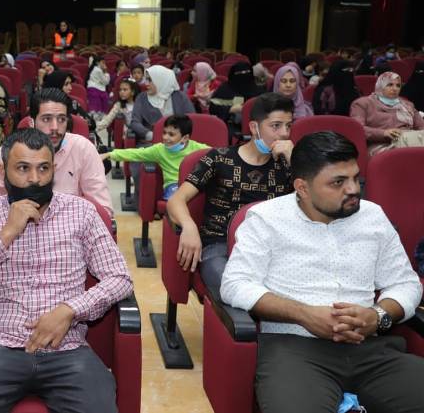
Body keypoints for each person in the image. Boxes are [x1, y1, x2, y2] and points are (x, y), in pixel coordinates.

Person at [221, 131, 424, 413]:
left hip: (370, 348)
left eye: (355, 177)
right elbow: (235, 284)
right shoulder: (266, 219)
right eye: (338, 182)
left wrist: (377, 316)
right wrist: (304, 315)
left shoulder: (373, 216)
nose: (353, 189)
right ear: (302, 188)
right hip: (293, 350)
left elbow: (406, 284)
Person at [0, 128, 133, 413]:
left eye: (44, 168)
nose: (35, 178)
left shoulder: (81, 212)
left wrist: (70, 310)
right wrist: (6, 234)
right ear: (3, 171)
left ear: (54, 169)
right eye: (23, 168)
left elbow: (120, 278)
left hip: (67, 350)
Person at [167, 92, 294, 293]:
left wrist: (294, 161)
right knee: (237, 290)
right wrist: (189, 226)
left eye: (288, 126)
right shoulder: (219, 158)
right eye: (276, 126)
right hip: (221, 246)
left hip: (269, 249)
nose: (284, 134)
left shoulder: (288, 165)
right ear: (254, 127)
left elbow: (313, 205)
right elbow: (176, 200)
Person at [0, 88, 113, 218]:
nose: (55, 127)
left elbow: (104, 211)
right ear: (31, 122)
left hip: (69, 227)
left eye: (61, 119)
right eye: (46, 119)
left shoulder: (83, 149)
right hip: (17, 226)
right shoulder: (11, 150)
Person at [101, 114, 209, 200]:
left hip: (192, 184)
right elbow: (135, 153)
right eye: (164, 133)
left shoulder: (198, 148)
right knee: (178, 200)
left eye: (171, 134)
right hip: (173, 186)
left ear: (185, 138)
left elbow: (216, 155)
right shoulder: (159, 150)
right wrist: (109, 154)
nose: (165, 137)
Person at [349, 71, 424, 155]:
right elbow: (358, 129)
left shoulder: (407, 105)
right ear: (380, 85)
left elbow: (422, 127)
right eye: (390, 85)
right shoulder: (363, 103)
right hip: (380, 145)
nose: (395, 89)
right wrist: (384, 133)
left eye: (398, 85)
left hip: (409, 140)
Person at [129, 65, 194, 145]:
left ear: (161, 80)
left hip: (179, 143)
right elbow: (135, 122)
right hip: (151, 143)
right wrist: (150, 135)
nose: (146, 83)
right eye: (146, 79)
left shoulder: (180, 97)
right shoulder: (142, 98)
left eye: (150, 80)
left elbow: (192, 120)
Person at [210, 62, 265, 131]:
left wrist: (247, 108)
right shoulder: (224, 89)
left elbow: (267, 108)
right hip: (230, 125)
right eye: (240, 73)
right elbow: (213, 108)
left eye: (247, 72)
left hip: (257, 126)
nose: (244, 76)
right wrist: (230, 109)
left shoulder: (258, 89)